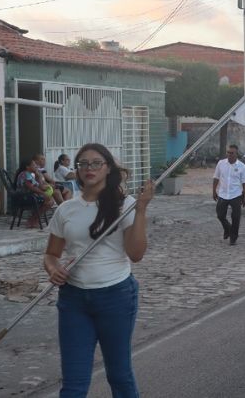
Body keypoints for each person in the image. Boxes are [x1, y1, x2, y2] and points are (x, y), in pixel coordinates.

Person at [43, 143, 154, 397]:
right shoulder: (66, 209)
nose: (89, 168)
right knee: (73, 385)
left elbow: (136, 254)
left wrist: (141, 210)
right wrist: (53, 269)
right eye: (83, 163)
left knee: (119, 375)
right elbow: (51, 255)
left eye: (96, 163)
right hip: (73, 300)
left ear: (108, 168)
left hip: (116, 297)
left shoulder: (125, 205)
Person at [212, 144, 245, 245]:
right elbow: (216, 177)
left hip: (236, 194)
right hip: (223, 194)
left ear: (236, 154)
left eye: (232, 153)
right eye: (228, 152)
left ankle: (233, 237)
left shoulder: (242, 166)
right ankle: (227, 228)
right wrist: (214, 191)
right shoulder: (221, 163)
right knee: (220, 215)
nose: (229, 155)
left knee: (236, 217)